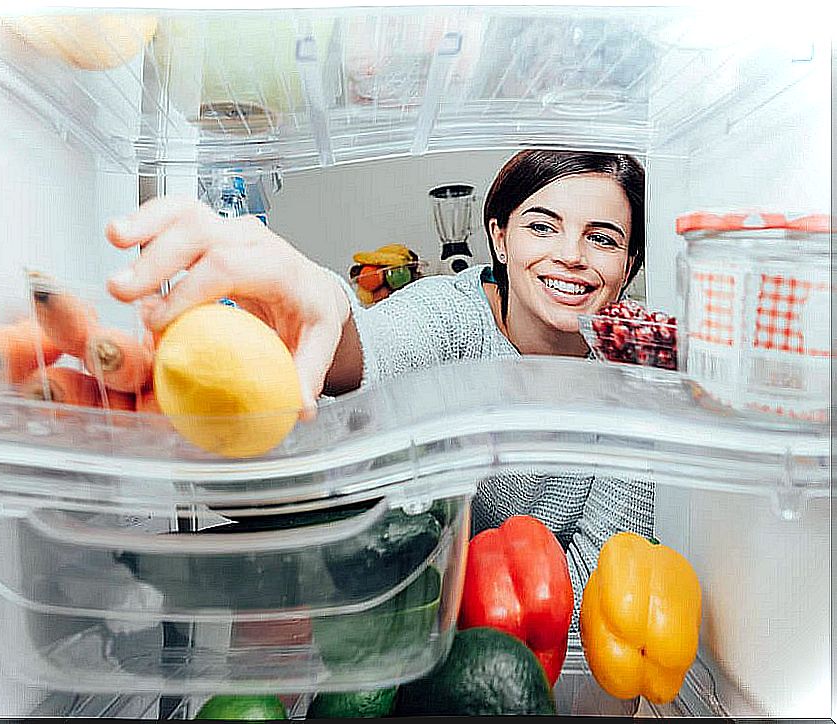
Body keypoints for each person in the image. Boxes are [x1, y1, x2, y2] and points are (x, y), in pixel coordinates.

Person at [105, 149, 655, 624]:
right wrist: (323, 304)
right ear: (500, 238)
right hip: (389, 586)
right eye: (542, 225)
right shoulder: (452, 315)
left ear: (628, 265)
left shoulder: (631, 382)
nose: (571, 255)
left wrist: (462, 607)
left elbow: (606, 575)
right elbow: (370, 354)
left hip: (514, 628)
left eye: (602, 238)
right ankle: (123, 581)